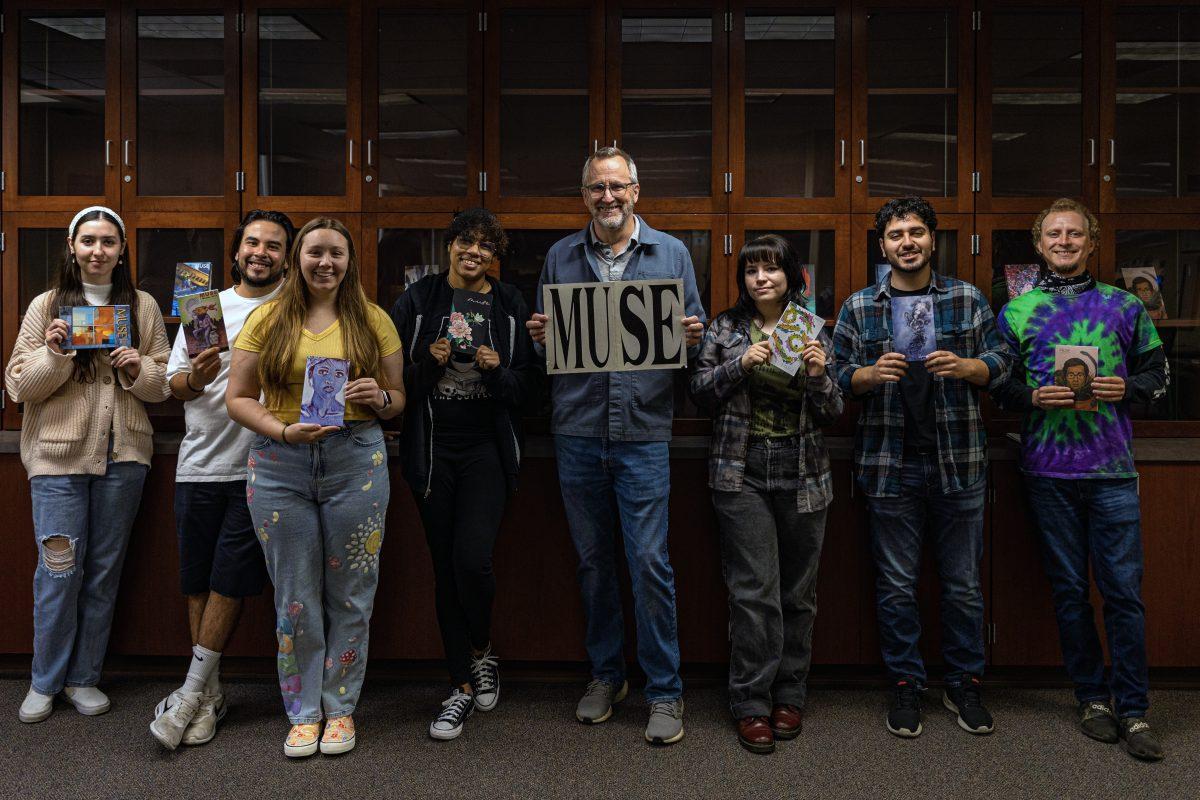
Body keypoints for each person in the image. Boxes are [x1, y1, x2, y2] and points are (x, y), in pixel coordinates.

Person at [526, 146, 705, 745]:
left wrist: (691, 335)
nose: (608, 198)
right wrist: (542, 337)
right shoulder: (560, 255)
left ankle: (666, 691)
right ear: (585, 197)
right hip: (577, 431)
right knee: (594, 563)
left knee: (650, 563)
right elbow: (551, 352)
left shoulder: (671, 253)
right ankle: (606, 676)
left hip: (645, 432)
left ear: (636, 191)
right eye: (597, 189)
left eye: (617, 187)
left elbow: (695, 347)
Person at [993, 199, 1169, 762]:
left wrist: (1130, 389)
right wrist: (1027, 396)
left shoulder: (1124, 305)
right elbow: (998, 384)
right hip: (1047, 472)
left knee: (1122, 593)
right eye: (1054, 234)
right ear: (1038, 244)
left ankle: (1135, 710)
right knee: (1069, 593)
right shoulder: (1017, 311)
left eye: (1075, 234)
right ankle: (1092, 698)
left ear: (1092, 243)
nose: (1064, 241)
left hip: (1112, 471)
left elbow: (1159, 373)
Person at [831, 196, 1010, 739]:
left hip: (959, 463)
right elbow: (836, 376)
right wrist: (866, 376)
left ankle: (964, 684)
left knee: (962, 586)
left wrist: (970, 366)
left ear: (933, 240)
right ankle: (906, 684)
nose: (906, 243)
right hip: (890, 466)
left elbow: (1003, 364)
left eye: (915, 233)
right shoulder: (860, 306)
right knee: (896, 586)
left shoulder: (966, 298)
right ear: (881, 245)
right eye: (895, 235)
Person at [226, 218, 405, 758]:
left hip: (356, 461)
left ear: (350, 262)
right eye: (314, 253)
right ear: (296, 259)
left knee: (351, 592)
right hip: (280, 464)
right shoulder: (267, 318)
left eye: (336, 254)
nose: (325, 263)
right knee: (296, 597)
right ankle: (304, 712)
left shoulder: (373, 319)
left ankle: (341, 709)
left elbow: (398, 399)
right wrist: (283, 430)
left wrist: (379, 396)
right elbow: (238, 397)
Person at [9, 206, 169, 724]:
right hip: (57, 459)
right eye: (88, 241)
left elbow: (163, 384)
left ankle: (83, 677)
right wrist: (54, 352)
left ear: (122, 251)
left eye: (108, 242)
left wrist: (135, 367)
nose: (98, 251)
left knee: (102, 572)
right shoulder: (47, 305)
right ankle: (44, 679)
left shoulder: (140, 306)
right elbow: (17, 385)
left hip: (124, 457)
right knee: (59, 571)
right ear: (72, 247)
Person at [390, 208, 541, 740]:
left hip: (486, 452)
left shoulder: (508, 303)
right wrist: (427, 365)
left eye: (484, 247)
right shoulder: (418, 300)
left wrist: (499, 370)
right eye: (465, 243)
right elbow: (393, 387)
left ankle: (481, 651)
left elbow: (529, 388)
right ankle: (460, 684)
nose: (474, 253)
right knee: (444, 568)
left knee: (472, 561)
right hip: (431, 452)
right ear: (449, 246)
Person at [689, 234, 843, 754]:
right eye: (752, 271)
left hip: (804, 473)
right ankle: (751, 702)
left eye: (772, 270)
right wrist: (740, 364)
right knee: (753, 591)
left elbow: (835, 410)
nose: (761, 279)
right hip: (741, 472)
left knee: (797, 593)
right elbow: (697, 392)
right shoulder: (726, 328)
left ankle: (790, 695)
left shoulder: (815, 330)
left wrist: (820, 377)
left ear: (792, 277)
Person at [149, 210, 295, 750]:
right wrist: (195, 378)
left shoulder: (293, 309)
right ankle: (208, 696)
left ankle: (189, 692)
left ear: (287, 256)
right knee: (196, 578)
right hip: (198, 464)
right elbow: (175, 387)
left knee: (230, 578)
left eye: (274, 246)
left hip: (262, 466)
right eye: (253, 243)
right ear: (236, 252)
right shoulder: (204, 307)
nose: (261, 252)